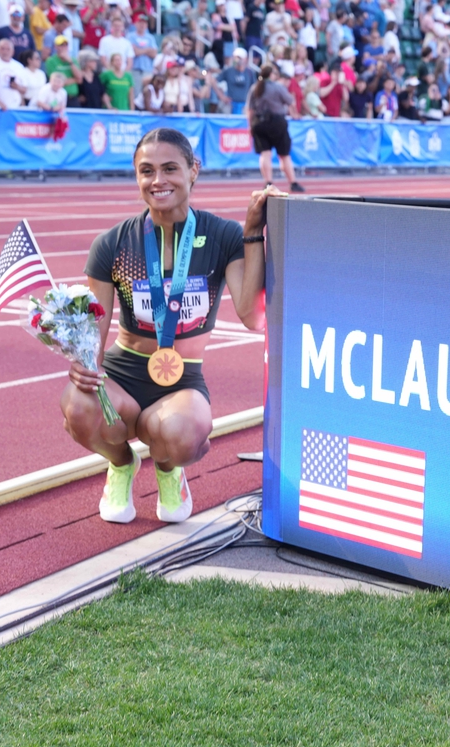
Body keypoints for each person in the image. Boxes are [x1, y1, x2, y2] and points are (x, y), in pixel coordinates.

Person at [65, 128, 282, 524]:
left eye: (170, 168)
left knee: (183, 433)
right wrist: (82, 364)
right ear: (136, 177)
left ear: (193, 170)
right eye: (147, 171)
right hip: (123, 373)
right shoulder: (112, 244)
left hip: (183, 380)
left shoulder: (222, 235)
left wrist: (253, 230)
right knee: (78, 407)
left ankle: (168, 470)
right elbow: (93, 337)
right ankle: (121, 464)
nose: (158, 180)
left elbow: (253, 316)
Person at [246, 62, 303, 191]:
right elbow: (291, 101)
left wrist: (250, 126)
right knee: (284, 154)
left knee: (265, 154)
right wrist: (294, 113)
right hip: (277, 123)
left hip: (259, 123)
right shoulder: (278, 87)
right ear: (271, 74)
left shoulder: (255, 88)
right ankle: (293, 182)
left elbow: (250, 110)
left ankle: (268, 182)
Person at [0, 35, 25, 106]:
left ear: (13, 52)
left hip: (14, 106)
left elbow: (24, 90)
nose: (5, 52)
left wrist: (17, 87)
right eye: (2, 48)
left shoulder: (19, 66)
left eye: (8, 49)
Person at [214, 45, 253, 115]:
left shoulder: (250, 72)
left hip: (245, 106)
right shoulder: (229, 71)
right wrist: (222, 97)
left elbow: (254, 87)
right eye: (236, 57)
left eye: (240, 57)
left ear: (245, 59)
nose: (238, 60)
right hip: (231, 105)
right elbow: (214, 80)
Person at [29, 69, 67, 139]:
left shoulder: (63, 92)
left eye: (59, 82)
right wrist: (52, 109)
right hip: (36, 112)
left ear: (63, 84)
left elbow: (62, 106)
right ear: (50, 81)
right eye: (54, 81)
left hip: (49, 113)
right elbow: (39, 102)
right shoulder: (45, 89)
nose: (56, 84)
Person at [44, 34, 81, 99]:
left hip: (73, 97)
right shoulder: (50, 61)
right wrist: (75, 79)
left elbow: (80, 78)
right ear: (55, 47)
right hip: (58, 97)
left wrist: (70, 62)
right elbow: (56, 82)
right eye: (61, 45)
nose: (64, 47)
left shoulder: (73, 60)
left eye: (65, 45)